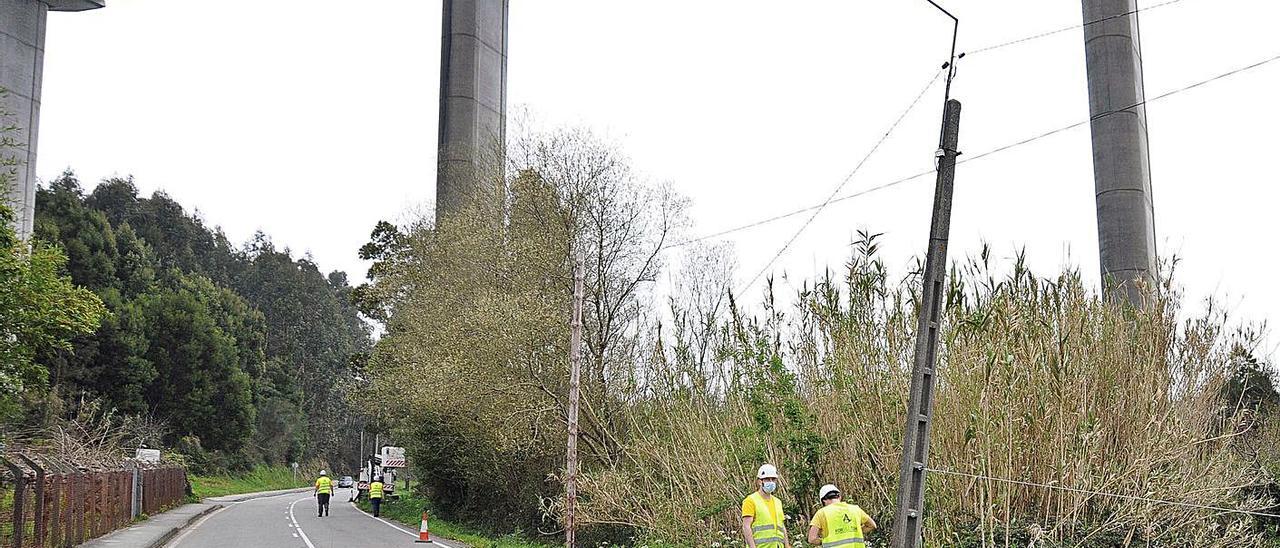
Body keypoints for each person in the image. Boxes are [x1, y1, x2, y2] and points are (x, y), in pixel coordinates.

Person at [807, 484, 876, 547]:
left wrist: (823, 541)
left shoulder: (821, 513)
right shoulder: (855, 509)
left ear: (823, 500)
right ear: (839, 497)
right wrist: (853, 532)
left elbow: (812, 539)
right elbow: (872, 525)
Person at [742, 463, 792, 548]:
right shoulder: (750, 500)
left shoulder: (778, 502)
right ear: (760, 481)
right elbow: (746, 527)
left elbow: (782, 526)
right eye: (767, 479)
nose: (771, 482)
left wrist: (787, 545)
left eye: (773, 479)